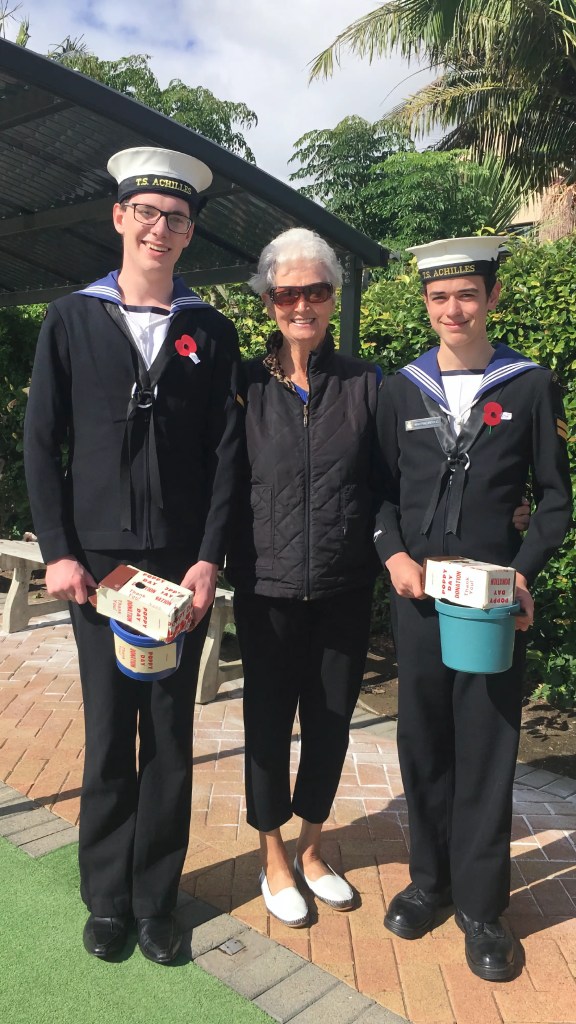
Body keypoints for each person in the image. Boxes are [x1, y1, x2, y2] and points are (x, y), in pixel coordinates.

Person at [23, 147, 244, 964]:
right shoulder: (71, 318)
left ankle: (158, 900)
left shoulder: (209, 329)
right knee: (112, 729)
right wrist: (61, 552)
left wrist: (209, 557)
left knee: (171, 731)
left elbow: (228, 454)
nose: (159, 228)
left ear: (190, 234)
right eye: (146, 213)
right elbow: (43, 444)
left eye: (176, 218)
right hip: (100, 571)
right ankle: (106, 897)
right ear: (119, 218)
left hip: (176, 568)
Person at [374, 236, 572, 981]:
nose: (453, 310)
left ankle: (484, 909)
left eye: (466, 295)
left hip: (491, 604)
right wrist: (393, 555)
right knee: (423, 744)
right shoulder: (403, 388)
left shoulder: (528, 384)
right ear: (426, 305)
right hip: (420, 601)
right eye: (439, 298)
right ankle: (431, 883)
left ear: (491, 298)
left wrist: (521, 578)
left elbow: (555, 503)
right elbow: (379, 494)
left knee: (487, 750)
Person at [225, 228, 383, 926]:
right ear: (268, 302)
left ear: (332, 297)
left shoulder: (366, 384)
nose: (302, 304)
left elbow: (396, 481)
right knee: (266, 725)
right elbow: (218, 481)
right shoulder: (244, 387)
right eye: (287, 292)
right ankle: (274, 858)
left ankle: (314, 849)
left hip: (345, 589)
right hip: (266, 590)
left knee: (330, 724)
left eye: (316, 291)